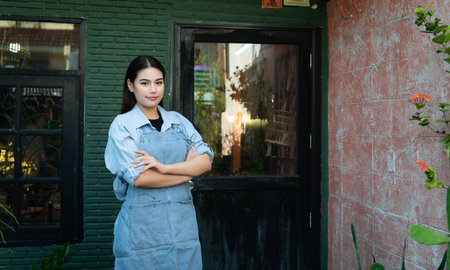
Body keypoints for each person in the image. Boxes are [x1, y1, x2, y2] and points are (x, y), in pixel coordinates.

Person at [104, 56, 213, 269]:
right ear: (130, 85)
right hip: (141, 231)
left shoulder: (178, 122)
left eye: (159, 82)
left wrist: (165, 167)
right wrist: (188, 173)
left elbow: (206, 161)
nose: (153, 90)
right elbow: (141, 177)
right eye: (144, 83)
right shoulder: (123, 125)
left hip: (182, 227)